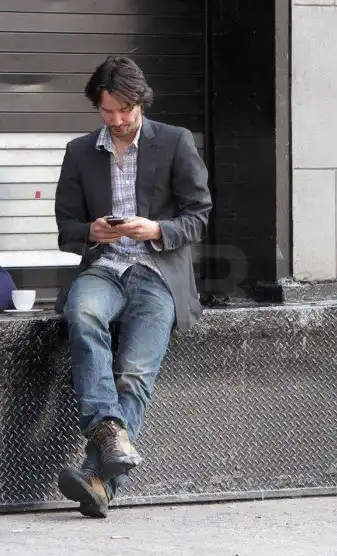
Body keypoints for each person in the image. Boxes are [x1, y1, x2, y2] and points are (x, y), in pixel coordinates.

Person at [54, 57, 212, 517]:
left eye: (125, 109)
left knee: (135, 373)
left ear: (140, 102)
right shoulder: (79, 151)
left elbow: (199, 215)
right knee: (83, 313)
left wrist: (157, 229)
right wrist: (91, 231)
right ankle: (108, 427)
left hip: (158, 273)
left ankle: (99, 480)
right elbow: (65, 226)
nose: (117, 120)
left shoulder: (176, 141)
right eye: (107, 111)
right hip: (105, 267)